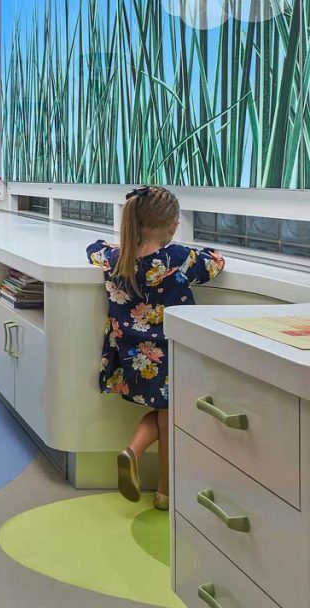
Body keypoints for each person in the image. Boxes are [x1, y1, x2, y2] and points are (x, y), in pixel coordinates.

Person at [87, 186, 225, 509]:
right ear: (174, 225)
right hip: (171, 354)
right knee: (169, 415)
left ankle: (134, 453)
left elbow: (93, 248)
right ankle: (163, 492)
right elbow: (214, 263)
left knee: (165, 413)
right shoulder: (177, 260)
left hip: (133, 356)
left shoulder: (113, 259)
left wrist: (119, 244)